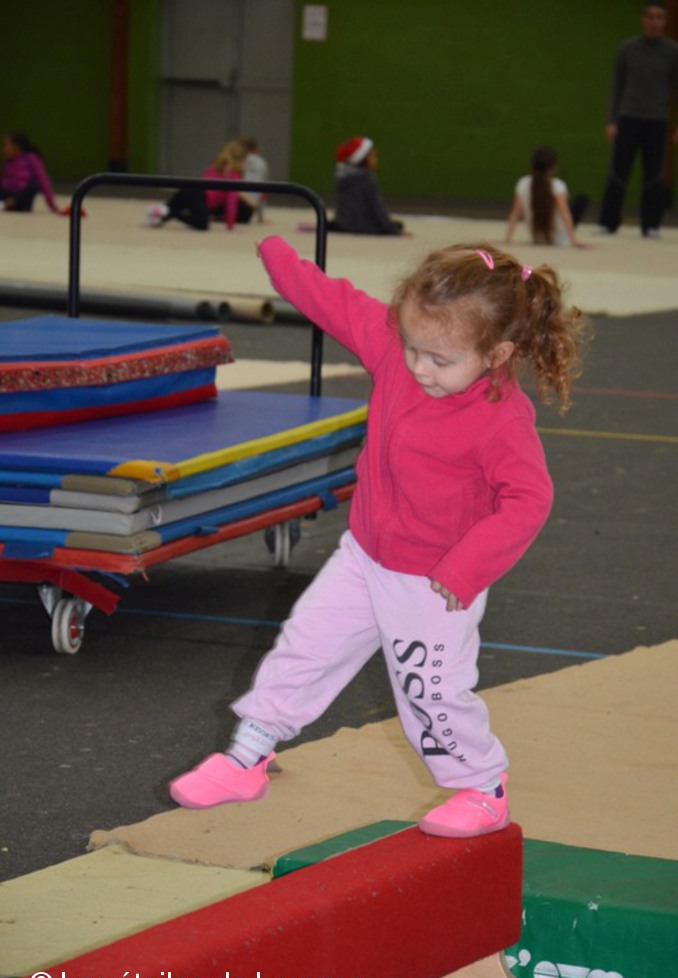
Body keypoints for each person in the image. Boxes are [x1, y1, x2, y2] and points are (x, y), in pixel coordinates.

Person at [169, 238, 587, 839]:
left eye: (439, 360)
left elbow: (528, 500)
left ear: (496, 354)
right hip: (364, 556)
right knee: (306, 647)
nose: (419, 368)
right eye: (412, 347)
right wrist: (279, 257)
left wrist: (465, 569)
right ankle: (247, 756)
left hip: (434, 581)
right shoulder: (395, 348)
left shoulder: (501, 419)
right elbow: (332, 301)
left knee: (430, 694)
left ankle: (482, 788)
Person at [598, 2, 678, 238]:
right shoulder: (627, 48)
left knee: (654, 174)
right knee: (618, 170)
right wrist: (612, 120)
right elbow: (616, 85)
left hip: (657, 120)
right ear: (643, 20)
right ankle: (608, 222)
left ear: (665, 21)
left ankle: (651, 225)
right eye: (650, 17)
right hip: (628, 117)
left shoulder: (673, 51)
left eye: (659, 17)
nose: (654, 22)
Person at [145, 140, 258, 230]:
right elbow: (231, 201)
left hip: (187, 189)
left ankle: (160, 215)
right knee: (202, 223)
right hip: (199, 195)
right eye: (245, 162)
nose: (246, 165)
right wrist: (230, 225)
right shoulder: (233, 176)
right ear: (239, 162)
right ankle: (169, 212)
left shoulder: (214, 167)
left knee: (172, 206)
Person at [504, 146, 590, 248]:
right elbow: (565, 214)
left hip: (537, 237)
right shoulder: (557, 185)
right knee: (581, 200)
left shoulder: (523, 183)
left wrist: (507, 239)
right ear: (553, 167)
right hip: (559, 239)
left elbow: (515, 213)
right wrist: (574, 241)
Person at [328, 136, 405, 235]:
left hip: (344, 224)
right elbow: (377, 209)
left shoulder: (341, 177)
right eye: (373, 156)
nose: (376, 159)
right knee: (398, 225)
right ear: (362, 159)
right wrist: (393, 231)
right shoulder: (366, 179)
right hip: (362, 227)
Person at [0, 132, 62, 213]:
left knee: (34, 184)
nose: (3, 149)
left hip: (22, 198)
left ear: (16, 147)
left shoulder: (30, 159)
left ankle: (10, 203)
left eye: (6, 145)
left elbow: (43, 181)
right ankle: (5, 204)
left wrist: (52, 205)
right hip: (7, 195)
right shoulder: (8, 162)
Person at [239, 135, 269, 221]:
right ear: (256, 149)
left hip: (236, 203)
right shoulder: (262, 163)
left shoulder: (236, 160)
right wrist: (261, 216)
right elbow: (264, 191)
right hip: (249, 209)